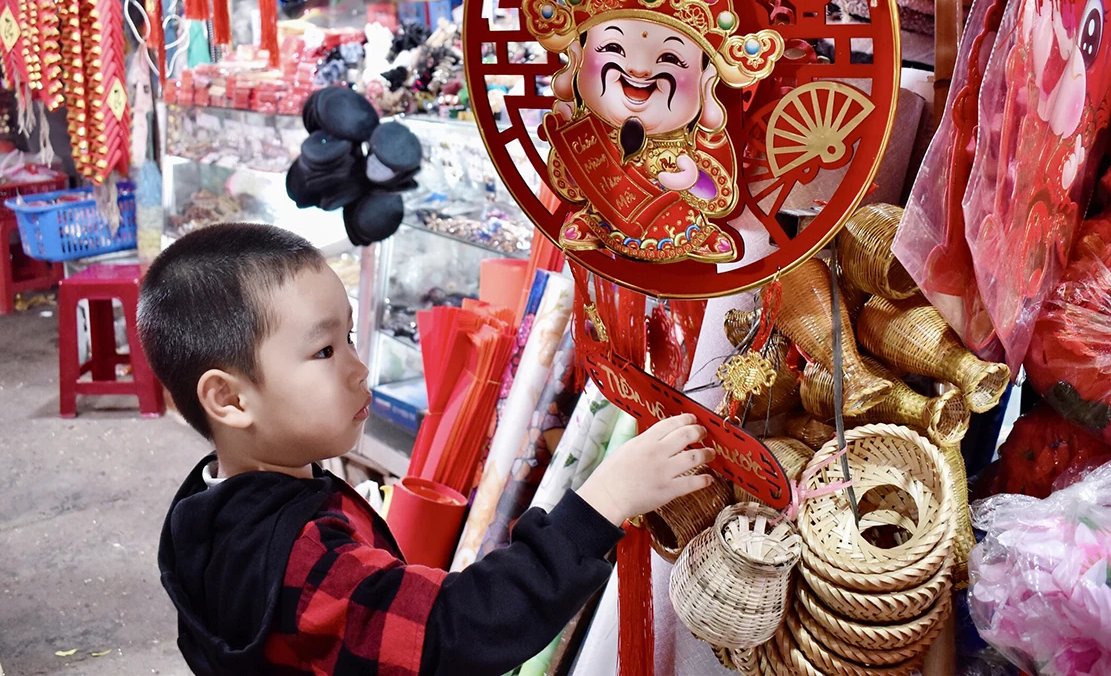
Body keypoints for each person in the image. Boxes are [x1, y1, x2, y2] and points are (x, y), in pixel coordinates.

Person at [141, 222, 716, 676]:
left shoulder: (206, 506)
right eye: (323, 352)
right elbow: (455, 631)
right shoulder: (299, 556)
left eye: (347, 339)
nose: (359, 368)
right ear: (230, 399)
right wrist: (602, 503)